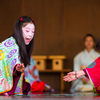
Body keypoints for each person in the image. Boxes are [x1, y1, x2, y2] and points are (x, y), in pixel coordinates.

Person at [0, 16, 36, 96]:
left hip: (12, 77)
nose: (30, 35)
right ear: (19, 30)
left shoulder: (19, 44)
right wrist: (16, 68)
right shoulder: (11, 44)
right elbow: (11, 60)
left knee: (26, 86)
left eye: (33, 32)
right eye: (27, 31)